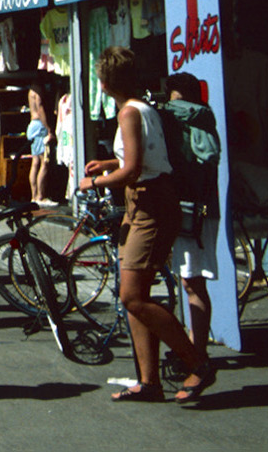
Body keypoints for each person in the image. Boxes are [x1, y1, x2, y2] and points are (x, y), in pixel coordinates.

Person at [79, 46, 213, 403]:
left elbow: (134, 170)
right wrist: (108, 163)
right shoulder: (143, 107)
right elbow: (140, 157)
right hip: (147, 202)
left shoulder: (127, 113)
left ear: (105, 83)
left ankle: (197, 363)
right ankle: (149, 381)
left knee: (132, 297)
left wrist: (93, 182)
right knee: (134, 296)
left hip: (150, 204)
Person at [163, 72, 219, 362]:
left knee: (192, 282)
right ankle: (194, 345)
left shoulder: (182, 117)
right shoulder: (203, 117)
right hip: (201, 207)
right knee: (192, 281)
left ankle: (198, 352)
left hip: (192, 208)